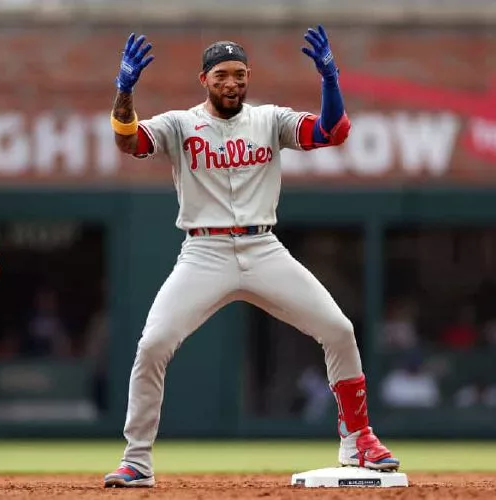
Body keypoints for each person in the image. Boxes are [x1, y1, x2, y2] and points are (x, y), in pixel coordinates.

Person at [103, 27, 399, 488]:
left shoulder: (269, 119)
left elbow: (332, 131)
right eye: (222, 75)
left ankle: (357, 438)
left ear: (249, 77)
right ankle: (137, 459)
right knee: (152, 345)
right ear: (204, 79)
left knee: (339, 330)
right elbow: (129, 141)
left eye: (240, 75)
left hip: (264, 248)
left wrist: (329, 78)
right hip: (203, 251)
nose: (232, 83)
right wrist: (124, 89)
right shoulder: (180, 124)